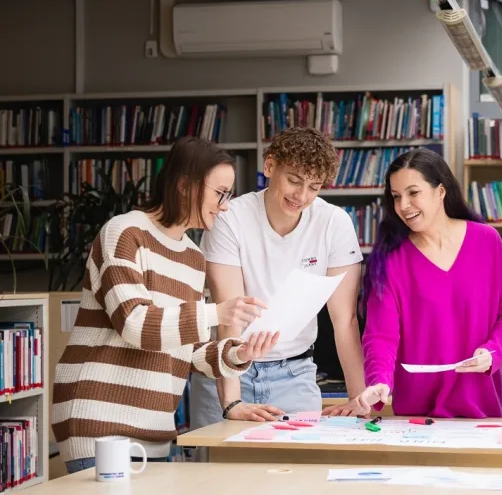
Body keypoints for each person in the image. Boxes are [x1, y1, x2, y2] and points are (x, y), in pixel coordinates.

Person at [52, 136, 279, 474]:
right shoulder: (124, 233)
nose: (225, 205)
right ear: (186, 186)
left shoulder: (193, 256)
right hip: (97, 424)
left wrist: (238, 353)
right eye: (220, 193)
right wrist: (217, 311)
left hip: (153, 431)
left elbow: (189, 350)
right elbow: (135, 324)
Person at [190, 127, 365, 426]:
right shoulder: (231, 219)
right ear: (270, 166)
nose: (302, 196)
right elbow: (230, 315)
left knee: (300, 471)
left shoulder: (334, 223)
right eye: (294, 181)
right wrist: (232, 402)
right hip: (229, 370)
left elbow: (344, 319)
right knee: (214, 469)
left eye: (314, 186)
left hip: (294, 375)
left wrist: (357, 398)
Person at [348, 147, 502, 418]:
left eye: (413, 193)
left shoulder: (487, 241)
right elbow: (381, 335)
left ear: (440, 191)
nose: (403, 205)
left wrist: (493, 351)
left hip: (482, 409)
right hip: (417, 416)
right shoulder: (390, 259)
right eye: (396, 196)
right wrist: (379, 380)